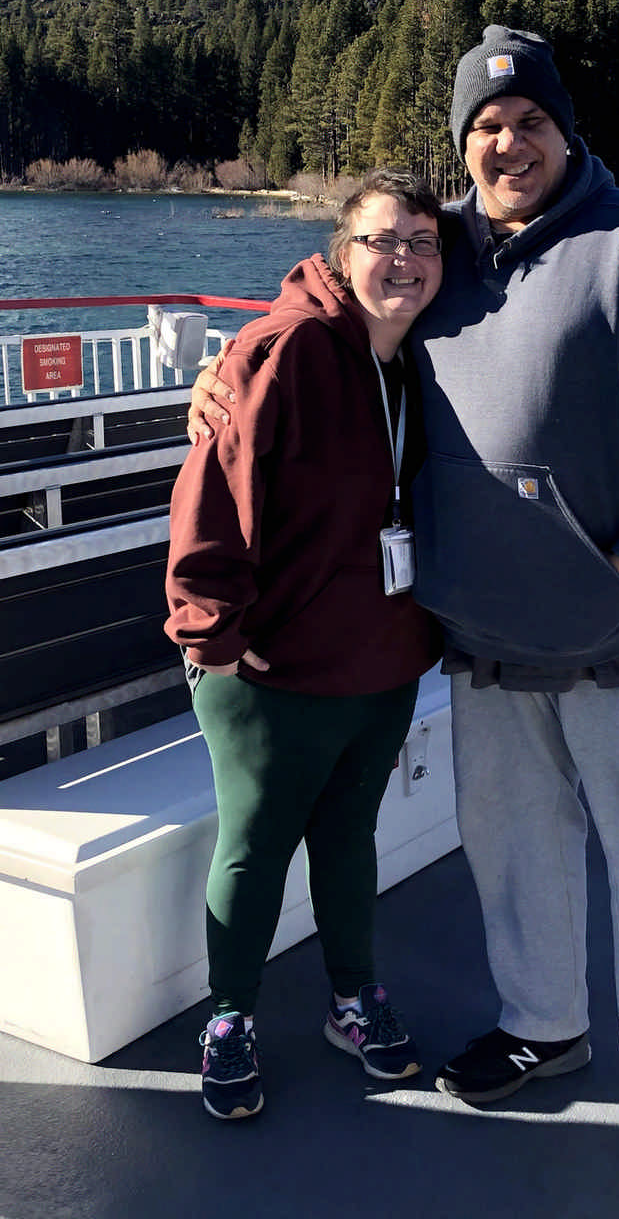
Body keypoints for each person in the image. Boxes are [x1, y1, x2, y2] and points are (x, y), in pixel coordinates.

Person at [190, 27, 619, 1191]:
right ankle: (545, 1025)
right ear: (464, 144)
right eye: (485, 128)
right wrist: (229, 374)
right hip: (484, 640)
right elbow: (337, 290)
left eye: (528, 121)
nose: (508, 143)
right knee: (515, 846)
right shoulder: (444, 251)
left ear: (564, 129)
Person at [166, 167, 444, 1120]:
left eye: (421, 242)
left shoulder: (426, 354)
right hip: (271, 671)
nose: (403, 259)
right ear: (342, 253)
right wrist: (210, 638)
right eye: (381, 241)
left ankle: (351, 999)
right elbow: (207, 498)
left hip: (383, 661)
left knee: (348, 838)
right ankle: (231, 1014)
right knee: (254, 848)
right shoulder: (282, 350)